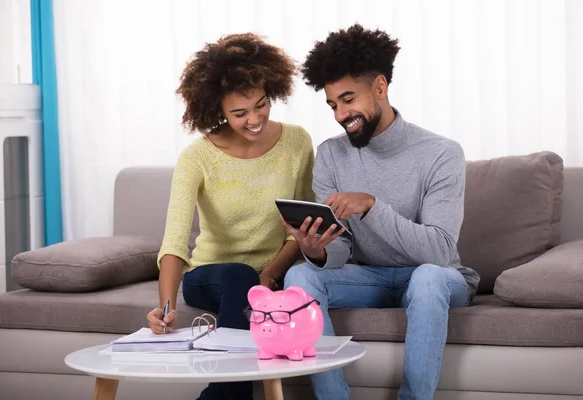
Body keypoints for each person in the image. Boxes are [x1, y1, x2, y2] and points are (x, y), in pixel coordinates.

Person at [281, 24, 481, 400]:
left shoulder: (441, 153)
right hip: (368, 278)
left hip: (436, 278)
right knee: (300, 277)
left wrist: (372, 206)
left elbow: (439, 252)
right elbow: (343, 251)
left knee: (427, 278)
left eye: (348, 99)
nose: (341, 114)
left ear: (380, 87)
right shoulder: (330, 155)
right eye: (333, 105)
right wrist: (316, 247)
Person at [146, 32, 315, 400]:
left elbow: (299, 229)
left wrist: (270, 275)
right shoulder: (197, 157)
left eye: (262, 104)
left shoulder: (298, 141)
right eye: (239, 113)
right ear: (217, 110)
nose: (254, 119)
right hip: (212, 277)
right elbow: (175, 240)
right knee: (239, 276)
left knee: (260, 284)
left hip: (272, 278)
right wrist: (166, 307)